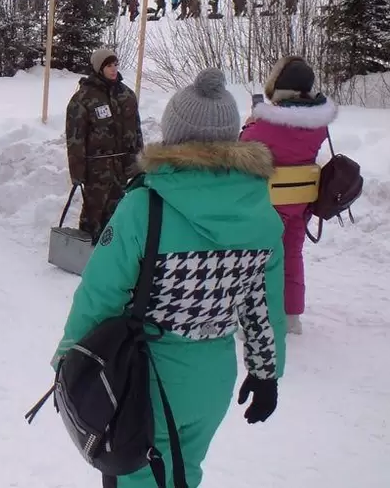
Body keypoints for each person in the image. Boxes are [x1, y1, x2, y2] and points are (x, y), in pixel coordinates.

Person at [53, 68, 286, 488]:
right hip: (213, 379)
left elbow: (100, 295)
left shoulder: (145, 206)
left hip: (146, 378)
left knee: (136, 478)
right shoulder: (261, 214)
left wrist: (68, 360)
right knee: (184, 473)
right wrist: (267, 372)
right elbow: (262, 306)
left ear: (175, 134)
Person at [240, 56, 336, 335]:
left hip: (269, 203)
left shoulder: (268, 124)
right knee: (292, 254)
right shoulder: (319, 123)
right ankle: (292, 316)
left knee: (261, 256)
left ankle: (259, 313)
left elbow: (245, 145)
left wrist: (251, 123)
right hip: (301, 201)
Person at [65, 49, 142, 241]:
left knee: (118, 210)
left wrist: (139, 160)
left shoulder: (127, 95)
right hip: (97, 167)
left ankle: (111, 250)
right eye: (109, 66)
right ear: (99, 68)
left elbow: (136, 130)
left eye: (115, 64)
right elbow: (75, 139)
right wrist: (77, 172)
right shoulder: (84, 98)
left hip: (122, 164)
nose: (114, 69)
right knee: (94, 210)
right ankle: (85, 251)